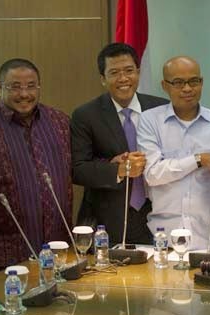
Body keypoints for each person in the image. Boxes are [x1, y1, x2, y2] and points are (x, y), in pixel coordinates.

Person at [0, 58, 72, 274]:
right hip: (6, 254)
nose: (24, 94)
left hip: (59, 249)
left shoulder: (60, 122)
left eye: (31, 86)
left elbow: (80, 167)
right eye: (15, 87)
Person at [71, 43, 168, 246]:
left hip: (158, 211)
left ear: (138, 72)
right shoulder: (86, 115)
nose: (123, 79)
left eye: (129, 71)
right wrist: (118, 170)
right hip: (109, 219)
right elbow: (78, 169)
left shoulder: (161, 108)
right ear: (102, 79)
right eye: (114, 73)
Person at [137, 56, 210, 250]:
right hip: (164, 237)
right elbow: (152, 174)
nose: (187, 88)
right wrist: (198, 160)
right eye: (178, 82)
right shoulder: (150, 121)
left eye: (194, 81)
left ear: (201, 83)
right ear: (165, 86)